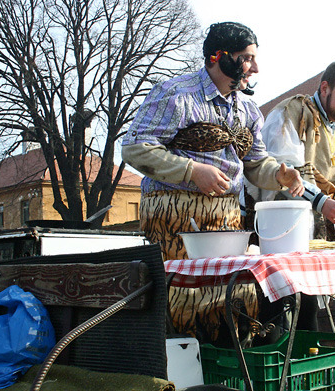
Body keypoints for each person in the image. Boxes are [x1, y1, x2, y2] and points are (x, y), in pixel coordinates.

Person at [121, 22, 304, 345]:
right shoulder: (175, 95)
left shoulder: (247, 108)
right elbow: (135, 148)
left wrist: (279, 174)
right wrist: (191, 170)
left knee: (235, 298)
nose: (255, 67)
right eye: (247, 58)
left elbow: (256, 164)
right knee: (184, 303)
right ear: (217, 57)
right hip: (174, 219)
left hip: (227, 220)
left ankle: (229, 369)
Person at [252, 60, 335, 241]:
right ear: (325, 88)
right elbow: (283, 173)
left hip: (330, 237)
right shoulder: (292, 112)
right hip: (286, 229)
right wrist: (321, 202)